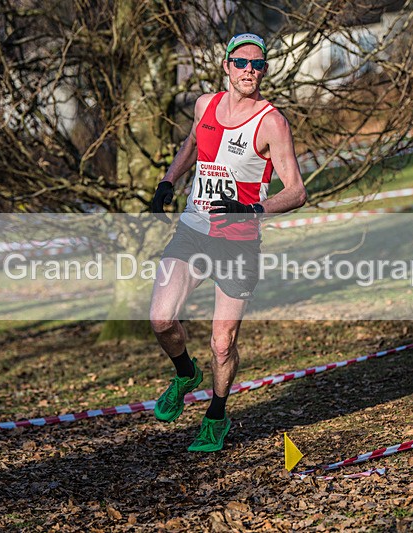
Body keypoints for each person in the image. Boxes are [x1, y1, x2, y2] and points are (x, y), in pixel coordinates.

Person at [148, 33, 307, 452]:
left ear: (265, 71)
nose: (249, 71)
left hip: (238, 242)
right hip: (194, 230)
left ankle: (216, 415)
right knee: (161, 318)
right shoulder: (205, 105)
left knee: (222, 343)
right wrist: (168, 181)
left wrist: (251, 210)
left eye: (258, 65)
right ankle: (185, 373)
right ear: (226, 66)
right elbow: (193, 144)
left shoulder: (272, 122)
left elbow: (296, 191)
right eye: (241, 63)